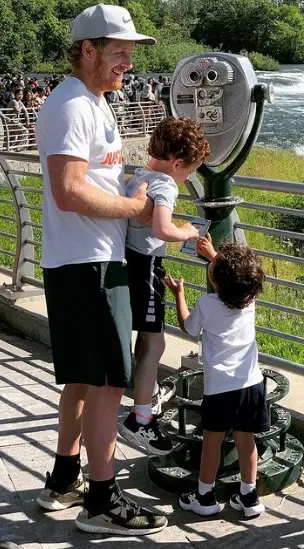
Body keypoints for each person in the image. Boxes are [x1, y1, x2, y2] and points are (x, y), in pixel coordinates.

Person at [34, 4, 169, 536]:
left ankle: (65, 478)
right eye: (119, 52)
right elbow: (69, 192)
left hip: (85, 261)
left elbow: (94, 180)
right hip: (89, 265)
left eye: (132, 53)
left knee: (85, 383)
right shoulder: (71, 106)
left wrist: (134, 183)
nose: (128, 63)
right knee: (110, 384)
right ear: (87, 50)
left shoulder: (94, 102)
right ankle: (102, 501)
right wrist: (138, 209)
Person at [120, 116, 209, 454]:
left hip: (130, 262)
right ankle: (141, 420)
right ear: (176, 163)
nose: (187, 178)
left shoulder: (138, 176)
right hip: (147, 267)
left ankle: (146, 397)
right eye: (189, 171)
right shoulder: (165, 184)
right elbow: (162, 229)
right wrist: (187, 230)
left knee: (146, 341)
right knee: (155, 346)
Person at [166, 236, 268, 518]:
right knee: (246, 440)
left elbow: (188, 327)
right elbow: (237, 279)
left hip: (220, 389)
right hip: (251, 384)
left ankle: (205, 495)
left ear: (217, 283)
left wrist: (179, 294)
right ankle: (248, 497)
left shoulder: (207, 304)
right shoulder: (250, 299)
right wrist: (214, 257)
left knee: (212, 440)